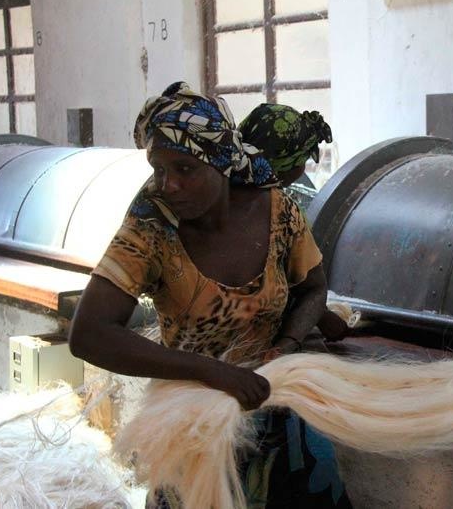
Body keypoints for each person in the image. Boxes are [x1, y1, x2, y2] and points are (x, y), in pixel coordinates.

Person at [69, 82, 352, 508]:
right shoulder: (150, 227)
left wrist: (286, 345)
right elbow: (89, 333)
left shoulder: (277, 208)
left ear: (221, 163)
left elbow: (312, 288)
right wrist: (212, 372)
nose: (168, 185)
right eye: (158, 168)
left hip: (279, 422)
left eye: (185, 169)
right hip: (196, 434)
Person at [238, 103, 353, 343]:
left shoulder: (218, 195)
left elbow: (301, 283)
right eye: (300, 161)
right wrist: (288, 345)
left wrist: (320, 316)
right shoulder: (280, 209)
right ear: (285, 166)